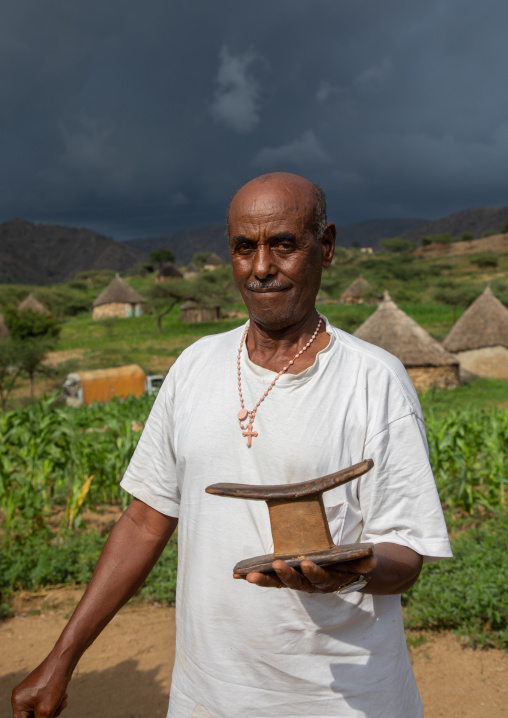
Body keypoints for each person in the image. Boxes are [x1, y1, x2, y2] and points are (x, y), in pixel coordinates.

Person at [12, 172, 451, 718]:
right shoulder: (195, 365)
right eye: (246, 248)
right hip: (210, 697)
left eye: (284, 244)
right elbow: (144, 522)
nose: (262, 267)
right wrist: (61, 658)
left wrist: (350, 569)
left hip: (344, 702)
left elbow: (406, 557)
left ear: (327, 245)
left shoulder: (373, 380)